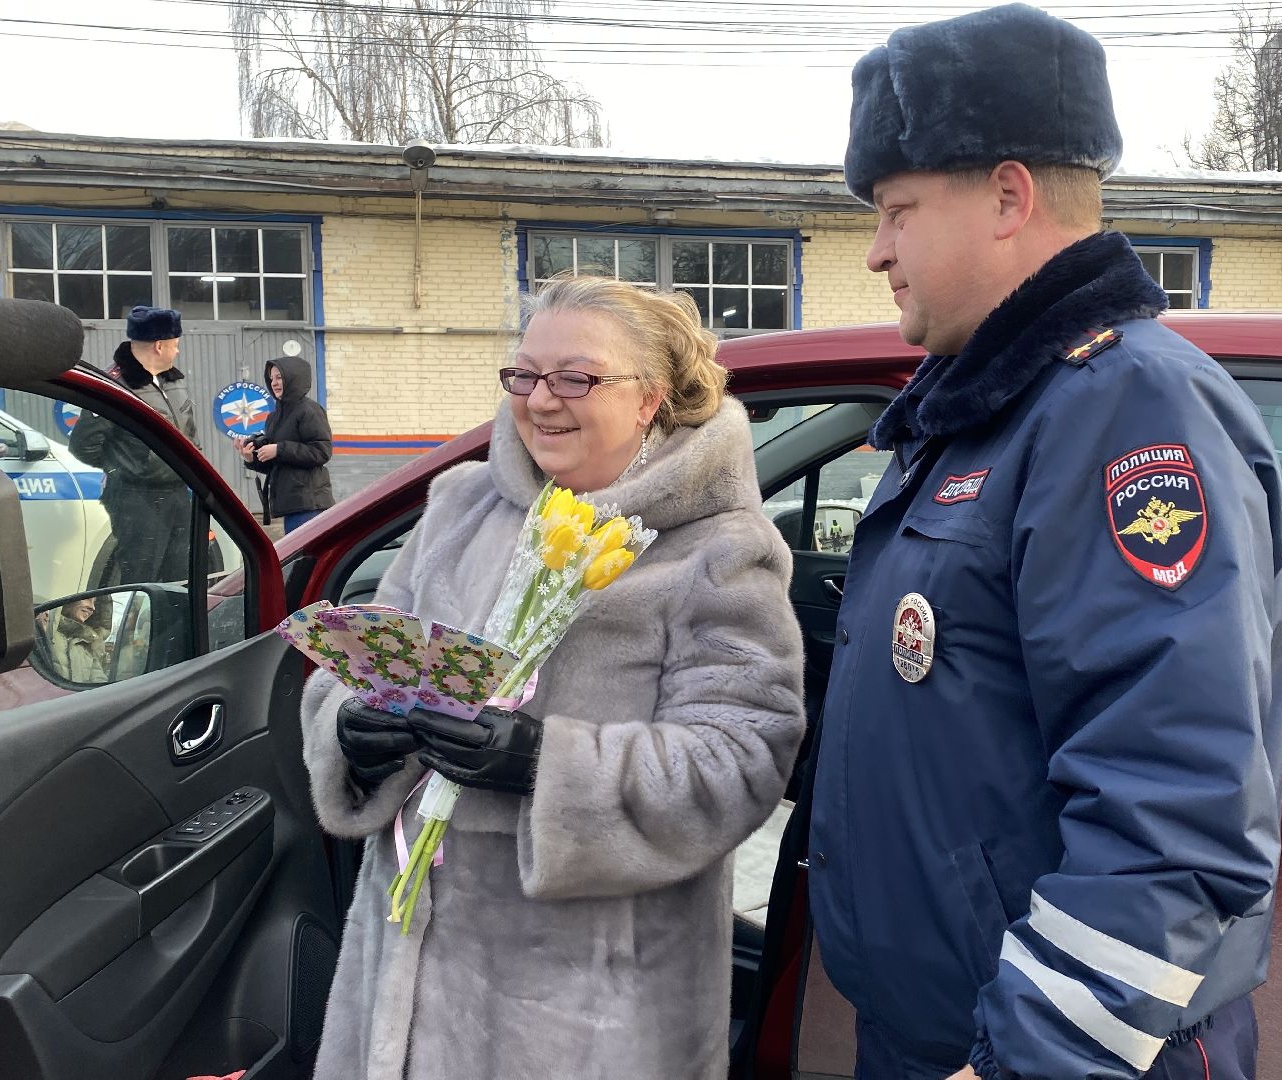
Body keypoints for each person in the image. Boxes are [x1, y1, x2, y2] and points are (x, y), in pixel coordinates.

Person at [807, 6, 1282, 1080]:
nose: (878, 249)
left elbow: (1173, 818)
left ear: (1009, 196)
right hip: (949, 1031)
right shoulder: (988, 409)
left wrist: (1032, 1058)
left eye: (896, 210)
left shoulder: (1123, 411)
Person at [301, 276, 805, 1079]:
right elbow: (361, 660)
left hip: (588, 1011)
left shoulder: (716, 551)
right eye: (523, 376)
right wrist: (351, 729)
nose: (540, 401)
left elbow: (742, 759)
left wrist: (547, 764)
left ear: (651, 398)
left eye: (576, 377)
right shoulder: (460, 505)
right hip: (401, 974)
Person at [69, 305, 201, 586]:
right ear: (159, 345)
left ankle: (172, 632)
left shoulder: (173, 382)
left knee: (179, 581)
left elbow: (189, 433)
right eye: (175, 345)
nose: (177, 351)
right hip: (137, 500)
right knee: (140, 581)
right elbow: (83, 445)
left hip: (177, 494)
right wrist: (128, 469)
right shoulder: (114, 386)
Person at [236, 355, 334, 534]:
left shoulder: (309, 410)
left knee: (307, 559)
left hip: (310, 504)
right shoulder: (274, 417)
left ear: (294, 377)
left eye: (279, 377)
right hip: (291, 505)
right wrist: (251, 458)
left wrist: (279, 449)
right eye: (271, 378)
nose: (274, 383)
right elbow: (277, 464)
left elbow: (322, 451)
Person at [46, 595, 112, 684]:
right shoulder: (46, 630)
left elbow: (98, 682)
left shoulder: (87, 643)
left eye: (94, 603)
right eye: (87, 599)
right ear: (69, 600)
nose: (92, 607)